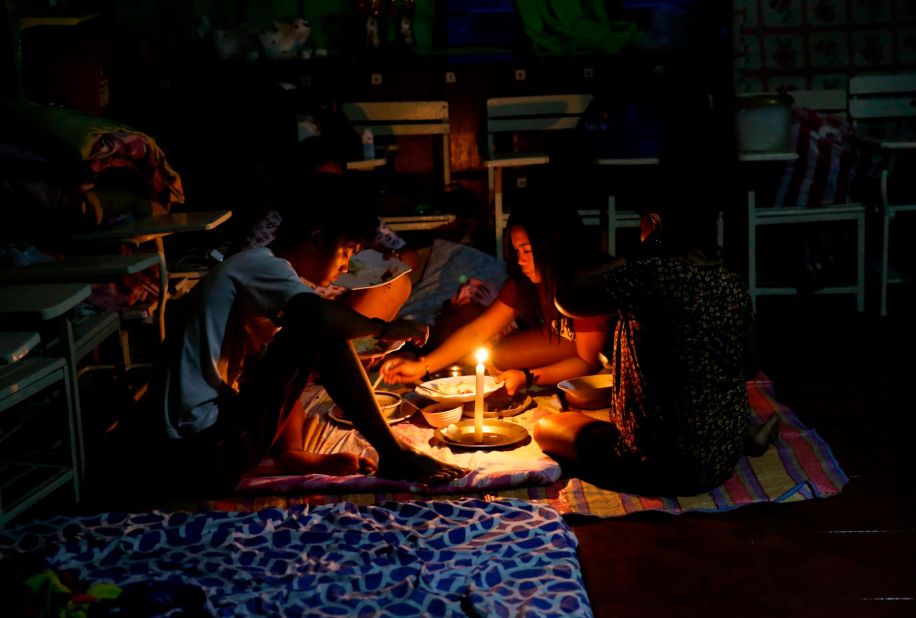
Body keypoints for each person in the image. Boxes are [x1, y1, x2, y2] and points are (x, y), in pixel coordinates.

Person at [147, 172, 466, 491]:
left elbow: (281, 369)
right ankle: (395, 455)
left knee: (311, 333)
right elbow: (319, 322)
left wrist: (373, 343)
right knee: (317, 329)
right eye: (346, 252)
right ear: (315, 239)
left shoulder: (259, 274)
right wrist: (385, 327)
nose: (346, 267)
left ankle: (296, 455)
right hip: (201, 453)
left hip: (204, 446)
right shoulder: (258, 266)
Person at [532, 89, 771, 496]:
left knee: (547, 425)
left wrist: (639, 255)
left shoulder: (648, 276)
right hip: (720, 458)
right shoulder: (729, 282)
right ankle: (749, 435)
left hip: (657, 465)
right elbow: (750, 365)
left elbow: (566, 298)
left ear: (655, 225)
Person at [382, 189, 610, 396]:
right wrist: (423, 365)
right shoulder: (524, 281)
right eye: (516, 250)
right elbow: (477, 331)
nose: (520, 260)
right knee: (500, 357)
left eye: (527, 251)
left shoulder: (584, 282)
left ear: (553, 248)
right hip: (565, 340)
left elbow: (587, 361)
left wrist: (528, 377)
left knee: (581, 393)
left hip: (593, 353)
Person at [242, 134, 420, 322]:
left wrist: (390, 259)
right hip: (313, 318)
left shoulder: (352, 217)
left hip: (343, 306)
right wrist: (380, 331)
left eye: (337, 183)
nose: (345, 267)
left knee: (398, 283)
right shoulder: (268, 267)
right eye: (346, 254)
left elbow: (411, 257)